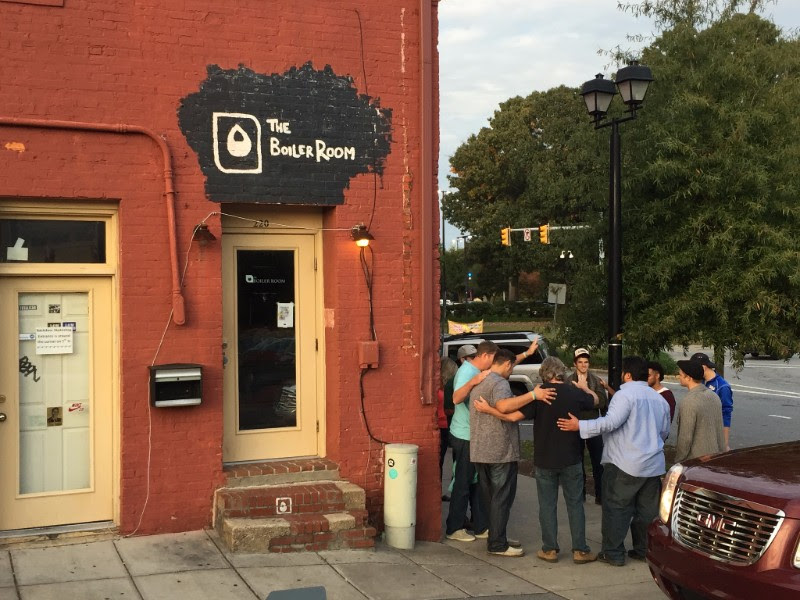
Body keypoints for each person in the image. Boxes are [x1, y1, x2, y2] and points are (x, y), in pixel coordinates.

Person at [478, 356, 598, 564]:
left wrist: (489, 410)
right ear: (561, 372)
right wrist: (584, 387)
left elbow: (513, 417)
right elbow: (595, 400)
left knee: (547, 505)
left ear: (545, 374)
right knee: (575, 504)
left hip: (544, 458)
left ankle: (549, 549)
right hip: (571, 457)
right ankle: (580, 549)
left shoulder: (539, 394)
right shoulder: (573, 392)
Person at [557, 356, 671, 566]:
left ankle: (613, 552)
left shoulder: (624, 395)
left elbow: (610, 423)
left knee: (616, 508)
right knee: (647, 511)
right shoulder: (659, 400)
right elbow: (664, 432)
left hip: (624, 462)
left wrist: (580, 425)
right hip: (653, 464)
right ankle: (643, 549)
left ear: (627, 375)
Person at [446, 338, 553, 543]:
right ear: (486, 356)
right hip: (465, 435)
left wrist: (527, 353)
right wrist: (474, 382)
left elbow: (506, 362)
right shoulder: (468, 372)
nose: (496, 363)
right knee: (463, 483)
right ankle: (455, 527)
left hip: (475, 436)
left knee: (478, 485)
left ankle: (481, 526)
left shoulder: (485, 370)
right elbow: (456, 398)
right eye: (493, 359)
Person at [567, 348, 612, 505]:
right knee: (577, 461)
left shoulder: (595, 380)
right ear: (575, 364)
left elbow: (602, 401)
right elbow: (569, 402)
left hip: (594, 425)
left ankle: (600, 495)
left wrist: (587, 395)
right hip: (576, 425)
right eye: (580, 362)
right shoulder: (569, 381)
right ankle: (581, 494)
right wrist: (590, 400)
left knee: (598, 461)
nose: (583, 364)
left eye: (586, 362)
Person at [674, 359, 726, 462]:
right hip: (716, 456)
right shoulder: (714, 396)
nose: (678, 377)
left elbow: (685, 437)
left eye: (680, 375)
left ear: (688, 377)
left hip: (696, 459)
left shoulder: (689, 401)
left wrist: (679, 460)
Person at [691, 352, 733, 451]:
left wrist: (725, 443)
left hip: (714, 434)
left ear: (703, 367)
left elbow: (726, 414)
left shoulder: (722, 386)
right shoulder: (699, 381)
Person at [438, 356, 459, 500]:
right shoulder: (449, 386)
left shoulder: (439, 386)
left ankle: (441, 491)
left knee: (440, 462)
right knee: (453, 461)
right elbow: (448, 408)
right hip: (447, 425)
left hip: (444, 426)